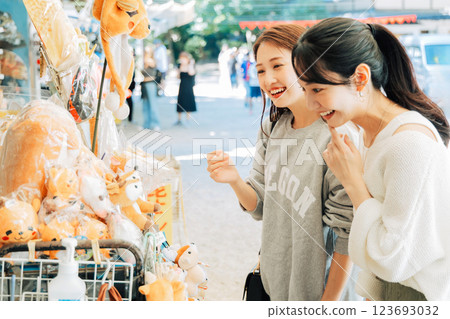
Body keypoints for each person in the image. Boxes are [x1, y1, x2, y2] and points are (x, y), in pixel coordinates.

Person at [292, 17, 450, 301]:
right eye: (304, 90)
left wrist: (352, 182)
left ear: (360, 78)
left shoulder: (408, 144)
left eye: (318, 89)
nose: (310, 104)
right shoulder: (363, 133)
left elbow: (392, 255)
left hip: (418, 297)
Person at [206, 24, 355, 301]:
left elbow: (347, 235)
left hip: (321, 294)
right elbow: (259, 205)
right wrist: (235, 180)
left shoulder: (336, 134)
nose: (268, 79)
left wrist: (328, 306)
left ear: (306, 63)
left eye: (277, 66)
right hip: (273, 287)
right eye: (260, 70)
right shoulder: (272, 127)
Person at [141, 46, 161, 130]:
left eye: (148, 51)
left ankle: (156, 124)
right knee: (145, 106)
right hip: (144, 84)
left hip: (151, 84)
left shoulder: (150, 60)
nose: (146, 52)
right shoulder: (145, 61)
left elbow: (149, 62)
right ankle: (146, 124)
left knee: (153, 105)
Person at [175, 52, 197, 126]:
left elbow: (191, 73)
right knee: (180, 102)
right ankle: (179, 119)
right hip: (182, 86)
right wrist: (178, 70)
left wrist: (190, 64)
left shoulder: (191, 65)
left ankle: (188, 119)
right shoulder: (179, 66)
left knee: (188, 101)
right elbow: (178, 77)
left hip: (189, 86)